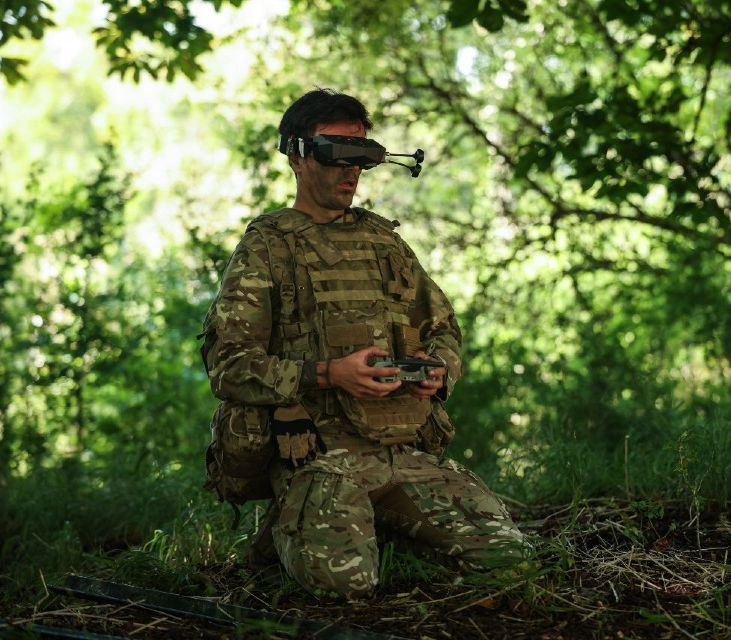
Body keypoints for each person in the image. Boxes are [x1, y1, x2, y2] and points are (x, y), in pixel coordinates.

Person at [203, 88, 525, 598]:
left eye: (363, 156)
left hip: (404, 451)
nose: (351, 172)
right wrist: (330, 374)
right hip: (321, 457)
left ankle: (377, 528)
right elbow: (228, 365)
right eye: (338, 154)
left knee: (515, 562)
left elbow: (444, 327)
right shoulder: (269, 245)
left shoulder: (383, 240)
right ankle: (285, 537)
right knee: (344, 587)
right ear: (297, 157)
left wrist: (437, 369)